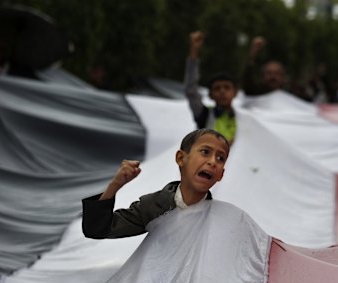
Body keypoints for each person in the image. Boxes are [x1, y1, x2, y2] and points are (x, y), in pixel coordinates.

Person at [82, 128, 230, 239]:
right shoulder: (153, 207)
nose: (212, 162)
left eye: (220, 158)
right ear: (180, 158)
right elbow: (97, 230)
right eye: (205, 152)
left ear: (221, 175)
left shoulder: (222, 221)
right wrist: (114, 186)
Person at [184, 31, 238, 144]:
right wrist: (194, 51)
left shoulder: (243, 118)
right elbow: (191, 91)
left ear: (235, 92)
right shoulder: (204, 114)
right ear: (210, 95)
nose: (222, 91)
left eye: (227, 87)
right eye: (217, 88)